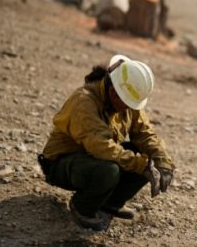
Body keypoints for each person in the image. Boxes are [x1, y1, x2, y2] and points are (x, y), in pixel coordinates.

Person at [38, 54, 175, 231]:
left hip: (94, 158)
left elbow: (145, 134)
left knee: (147, 157)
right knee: (109, 170)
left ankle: (110, 203)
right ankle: (82, 208)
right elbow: (101, 146)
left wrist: (163, 162)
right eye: (127, 103)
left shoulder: (125, 101)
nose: (130, 108)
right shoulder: (84, 101)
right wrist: (141, 165)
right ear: (112, 92)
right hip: (62, 164)